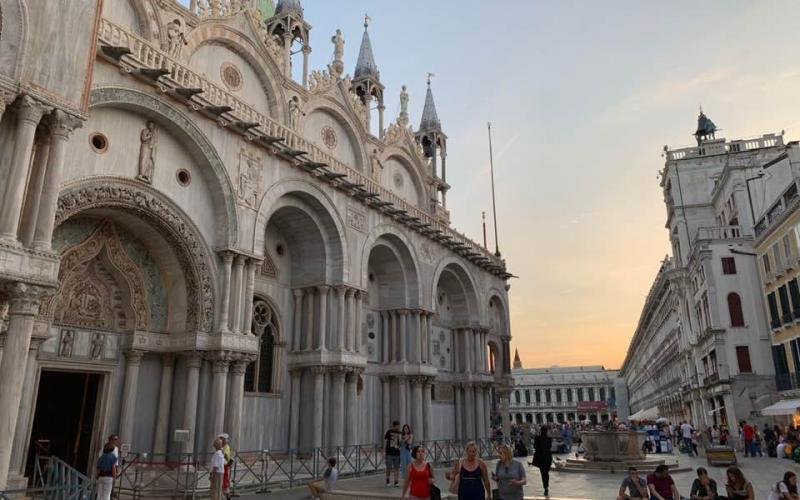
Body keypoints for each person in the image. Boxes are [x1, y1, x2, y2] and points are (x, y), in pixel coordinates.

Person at [531, 426, 553, 497]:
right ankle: (546, 486)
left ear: (541, 430)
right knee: (546, 473)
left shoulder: (537, 438)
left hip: (540, 458)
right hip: (548, 457)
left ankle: (545, 487)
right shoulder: (549, 439)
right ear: (546, 431)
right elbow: (549, 447)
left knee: (543, 473)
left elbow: (535, 446)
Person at [385, 420, 402, 486]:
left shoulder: (399, 433)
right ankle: (387, 479)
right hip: (389, 452)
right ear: (394, 426)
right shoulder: (389, 432)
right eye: (398, 426)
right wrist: (384, 451)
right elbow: (386, 441)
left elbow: (400, 443)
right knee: (388, 467)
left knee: (396, 467)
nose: (398, 427)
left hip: (397, 452)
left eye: (399, 426)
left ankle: (396, 481)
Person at [219, 433, 233, 500]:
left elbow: (226, 456)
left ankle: (227, 496)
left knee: (224, 482)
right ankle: (225, 496)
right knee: (224, 482)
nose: (221, 441)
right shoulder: (223, 447)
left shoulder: (226, 447)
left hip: (225, 466)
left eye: (222, 439)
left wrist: (221, 452)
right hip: (224, 466)